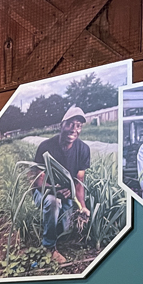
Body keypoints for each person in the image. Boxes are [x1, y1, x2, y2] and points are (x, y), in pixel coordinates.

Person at [33, 105, 91, 264]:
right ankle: (49, 247)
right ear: (61, 125)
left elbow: (79, 182)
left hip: (66, 193)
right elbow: (38, 181)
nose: (74, 129)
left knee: (65, 229)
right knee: (54, 202)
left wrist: (82, 206)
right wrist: (54, 190)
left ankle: (52, 228)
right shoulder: (46, 147)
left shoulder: (83, 149)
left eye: (78, 125)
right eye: (71, 124)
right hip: (43, 192)